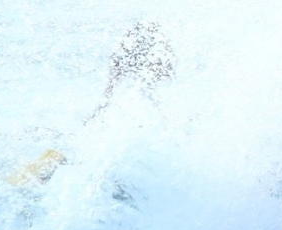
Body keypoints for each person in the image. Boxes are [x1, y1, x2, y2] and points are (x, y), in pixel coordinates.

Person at [9, 21, 176, 185]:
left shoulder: (108, 106)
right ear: (157, 62)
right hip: (122, 174)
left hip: (82, 167)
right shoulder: (149, 109)